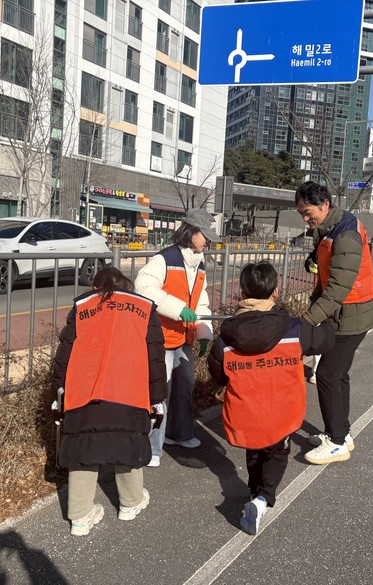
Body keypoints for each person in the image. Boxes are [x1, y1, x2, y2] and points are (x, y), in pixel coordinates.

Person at [206, 261, 335, 535]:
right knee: (277, 451)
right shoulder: (295, 329)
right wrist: (329, 322)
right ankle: (262, 498)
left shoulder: (225, 339)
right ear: (275, 292)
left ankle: (255, 493)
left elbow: (219, 375)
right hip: (283, 411)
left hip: (245, 412)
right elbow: (325, 341)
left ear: (242, 294)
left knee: (255, 448)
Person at [52, 267, 168, 536]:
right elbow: (155, 359)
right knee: (127, 442)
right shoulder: (144, 307)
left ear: (96, 287)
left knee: (83, 448)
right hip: (129, 389)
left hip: (84, 390)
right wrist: (156, 398)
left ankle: (80, 516)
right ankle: (130, 502)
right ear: (126, 287)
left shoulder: (83, 306)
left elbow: (64, 356)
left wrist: (57, 394)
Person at [295, 181, 373, 465]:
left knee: (328, 376)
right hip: (345, 314)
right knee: (338, 374)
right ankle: (341, 432)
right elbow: (329, 270)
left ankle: (336, 442)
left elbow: (339, 288)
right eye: (301, 214)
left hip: (349, 316)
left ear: (325, 204)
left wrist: (308, 320)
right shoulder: (331, 227)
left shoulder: (345, 234)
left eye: (307, 212)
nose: (305, 219)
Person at [135, 208, 221, 467]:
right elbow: (143, 286)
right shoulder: (164, 258)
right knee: (160, 392)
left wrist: (204, 332)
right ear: (190, 232)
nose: (207, 242)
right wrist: (177, 309)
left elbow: (201, 301)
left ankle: (179, 433)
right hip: (161, 338)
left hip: (184, 338)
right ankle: (152, 447)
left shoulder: (199, 263)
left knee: (184, 386)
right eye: (204, 236)